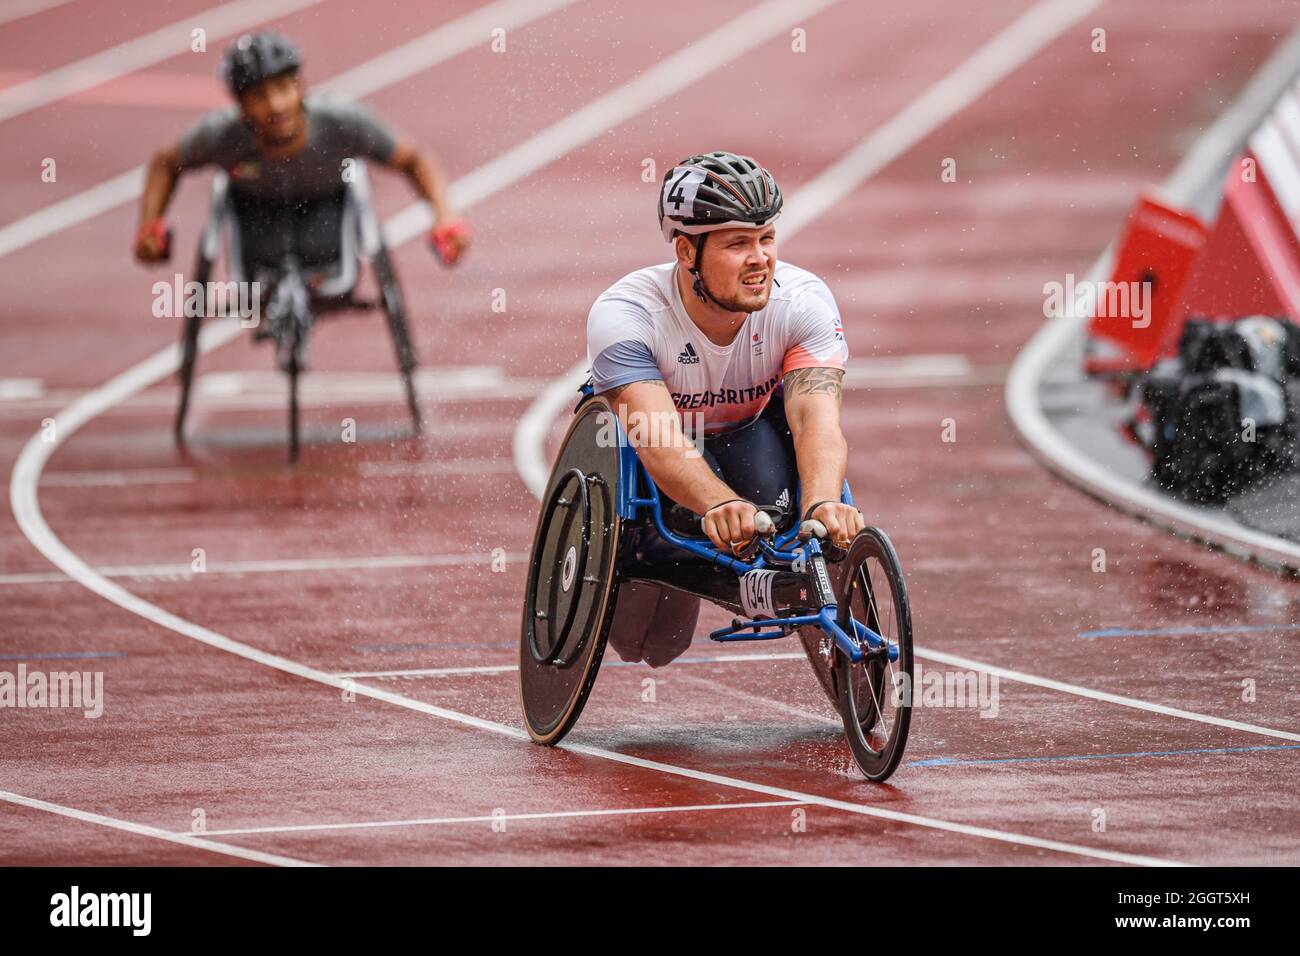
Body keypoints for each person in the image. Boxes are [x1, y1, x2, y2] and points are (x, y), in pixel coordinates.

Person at [585, 150, 863, 666]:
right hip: (669, 445)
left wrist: (823, 504)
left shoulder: (803, 302)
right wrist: (715, 505)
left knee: (777, 518)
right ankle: (660, 555)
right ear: (688, 252)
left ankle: (763, 581)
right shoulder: (626, 315)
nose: (760, 258)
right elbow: (657, 438)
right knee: (651, 644)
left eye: (767, 239)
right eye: (738, 244)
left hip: (750, 429)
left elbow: (815, 420)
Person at [133, 32, 468, 275]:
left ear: (301, 87)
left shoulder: (341, 121)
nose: (275, 105)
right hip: (255, 215)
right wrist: (151, 225)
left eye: (282, 89)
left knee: (323, 249)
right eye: (259, 95)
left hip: (326, 211)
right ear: (240, 103)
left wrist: (444, 218)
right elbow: (166, 162)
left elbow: (415, 158)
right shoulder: (221, 134)